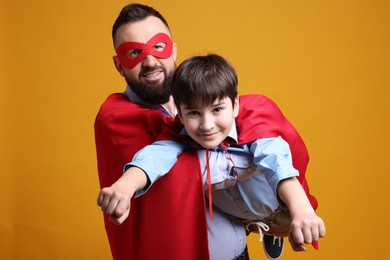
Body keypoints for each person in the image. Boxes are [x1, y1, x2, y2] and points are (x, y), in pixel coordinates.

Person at [98, 54, 326, 259]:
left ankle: (274, 230)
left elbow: (280, 167)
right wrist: (124, 187)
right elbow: (152, 158)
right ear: (180, 112)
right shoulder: (178, 134)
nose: (207, 125)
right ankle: (259, 226)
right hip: (241, 217)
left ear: (235, 106)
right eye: (194, 113)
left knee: (277, 202)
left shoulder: (257, 128)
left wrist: (301, 211)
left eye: (217, 109)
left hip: (280, 209)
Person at [95, 4, 250, 260]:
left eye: (158, 47)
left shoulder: (202, 100)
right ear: (119, 65)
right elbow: (180, 170)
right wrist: (247, 160)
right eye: (134, 52)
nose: (150, 61)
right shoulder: (117, 119)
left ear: (173, 50)